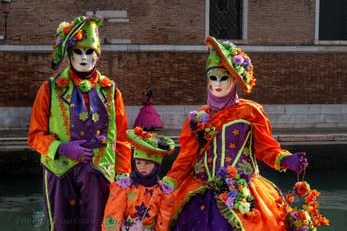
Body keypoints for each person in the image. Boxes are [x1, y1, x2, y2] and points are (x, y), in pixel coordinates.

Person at [162, 36, 309, 231]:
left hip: (243, 190)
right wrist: (169, 181)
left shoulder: (250, 112)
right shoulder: (197, 117)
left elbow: (266, 149)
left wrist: (285, 159)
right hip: (201, 191)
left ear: (234, 80)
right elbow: (187, 157)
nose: (218, 84)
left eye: (224, 78)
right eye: (213, 78)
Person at [28, 14, 131, 231]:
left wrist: (123, 175)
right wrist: (61, 147)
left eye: (89, 52)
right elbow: (35, 136)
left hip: (99, 174)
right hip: (60, 173)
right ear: (69, 54)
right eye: (78, 52)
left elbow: (121, 139)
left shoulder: (111, 91)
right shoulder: (49, 89)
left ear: (97, 55)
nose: (84, 58)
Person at [102, 127, 175, 231]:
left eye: (147, 163)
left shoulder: (162, 191)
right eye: (138, 162)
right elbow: (113, 212)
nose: (142, 167)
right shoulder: (124, 186)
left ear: (157, 165)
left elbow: (164, 219)